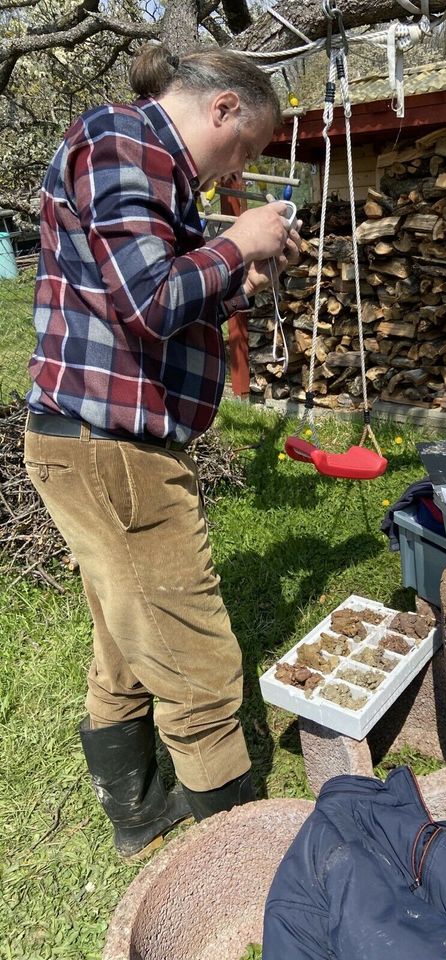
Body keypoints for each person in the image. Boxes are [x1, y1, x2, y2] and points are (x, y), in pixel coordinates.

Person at [24, 43, 301, 859]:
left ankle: (137, 809)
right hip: (112, 454)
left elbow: (145, 308)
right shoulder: (122, 141)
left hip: (95, 446)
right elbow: (147, 300)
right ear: (221, 108)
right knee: (198, 657)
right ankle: (238, 862)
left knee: (126, 637)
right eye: (244, 145)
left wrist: (234, 283)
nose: (235, 168)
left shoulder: (152, 168)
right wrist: (239, 243)